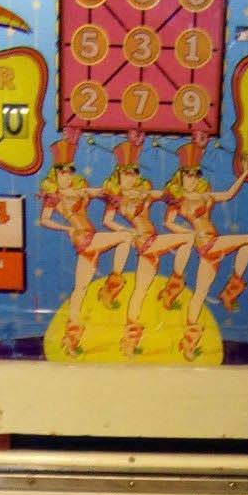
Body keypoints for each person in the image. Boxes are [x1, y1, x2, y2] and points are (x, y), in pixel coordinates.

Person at [38, 131, 133, 356]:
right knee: (126, 237)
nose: (68, 175)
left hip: (90, 238)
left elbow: (100, 192)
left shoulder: (80, 190)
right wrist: (68, 228)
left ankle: (70, 337)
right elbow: (44, 219)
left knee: (80, 288)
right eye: (63, 171)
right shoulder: (54, 194)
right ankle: (112, 285)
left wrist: (114, 188)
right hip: (83, 237)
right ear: (55, 173)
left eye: (71, 170)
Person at [99, 132, 190, 354]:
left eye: (134, 172)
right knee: (187, 237)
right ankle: (174, 285)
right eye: (126, 172)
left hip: (152, 243)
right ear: (118, 174)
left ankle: (129, 341)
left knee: (140, 289)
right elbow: (107, 221)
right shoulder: (116, 197)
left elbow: (165, 195)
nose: (130, 176)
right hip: (145, 241)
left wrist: (175, 190)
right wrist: (128, 231)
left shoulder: (144, 193)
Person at [163, 139, 248, 359]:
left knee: (200, 292)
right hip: (206, 243)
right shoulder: (178, 198)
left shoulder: (205, 195)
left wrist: (244, 173)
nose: (193, 179)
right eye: (188, 175)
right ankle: (230, 291)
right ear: (181, 176)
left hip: (212, 244)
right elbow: (168, 222)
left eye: (196, 174)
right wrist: (188, 233)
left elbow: (229, 194)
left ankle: (189, 343)